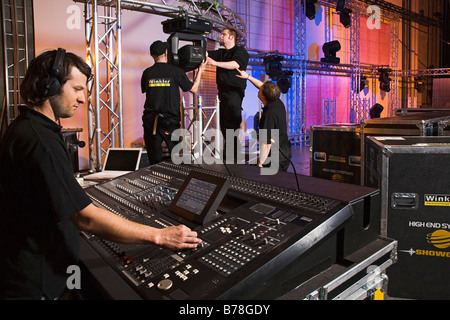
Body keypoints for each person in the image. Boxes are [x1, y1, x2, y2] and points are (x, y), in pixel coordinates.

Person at [0, 49, 202, 300]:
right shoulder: (42, 142)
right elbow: (86, 219)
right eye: (76, 89)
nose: (83, 98)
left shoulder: (26, 127)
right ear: (49, 86)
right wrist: (159, 235)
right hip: (35, 282)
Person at [141, 40, 206, 165]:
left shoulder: (147, 73)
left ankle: (156, 181)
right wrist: (200, 71)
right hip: (170, 120)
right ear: (166, 53)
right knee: (177, 158)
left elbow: (146, 91)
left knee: (154, 160)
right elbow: (194, 89)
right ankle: (176, 182)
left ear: (152, 55)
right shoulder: (175, 71)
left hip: (150, 120)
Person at [236, 69, 292, 172]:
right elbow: (262, 86)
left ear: (262, 96)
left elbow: (266, 144)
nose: (259, 89)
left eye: (260, 90)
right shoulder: (278, 102)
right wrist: (248, 77)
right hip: (285, 151)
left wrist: (260, 164)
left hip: (275, 156)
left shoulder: (268, 115)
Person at [207, 28, 249, 160]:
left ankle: (234, 155)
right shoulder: (221, 53)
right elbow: (207, 54)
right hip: (223, 92)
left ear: (231, 37)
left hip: (234, 91)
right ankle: (229, 153)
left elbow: (234, 64)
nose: (220, 37)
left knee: (232, 124)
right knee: (224, 124)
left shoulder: (239, 51)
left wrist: (215, 63)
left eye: (223, 34)